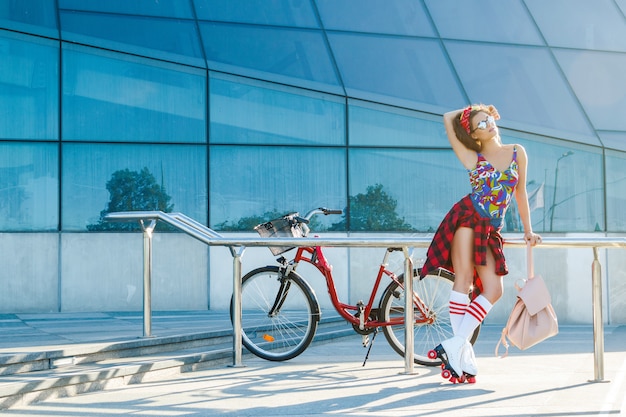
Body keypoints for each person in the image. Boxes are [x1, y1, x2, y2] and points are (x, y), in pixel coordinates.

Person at [420, 104, 542, 383]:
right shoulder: (472, 155)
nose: (489, 123)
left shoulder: (516, 151)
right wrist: (472, 109)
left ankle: (455, 346)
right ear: (474, 135)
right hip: (466, 219)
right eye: (481, 123)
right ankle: (462, 354)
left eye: (489, 119)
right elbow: (447, 117)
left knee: (494, 289)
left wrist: (528, 230)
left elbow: (521, 193)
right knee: (463, 280)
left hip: (491, 227)